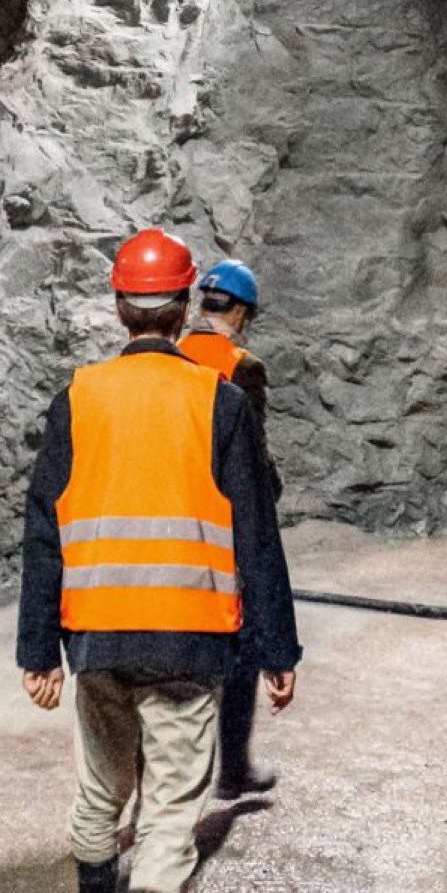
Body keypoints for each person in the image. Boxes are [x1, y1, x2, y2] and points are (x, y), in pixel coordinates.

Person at [18, 229, 301, 893]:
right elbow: (254, 535)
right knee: (172, 808)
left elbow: (44, 529)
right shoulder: (220, 401)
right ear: (182, 312)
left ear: (120, 308)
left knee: (100, 791)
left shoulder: (76, 399)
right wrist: (277, 649)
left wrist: (38, 651)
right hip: (188, 638)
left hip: (98, 636)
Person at [178, 259, 280, 800]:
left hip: (169, 523)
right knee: (242, 649)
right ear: (240, 311)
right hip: (222, 529)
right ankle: (232, 769)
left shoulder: (169, 353)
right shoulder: (242, 365)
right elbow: (253, 463)